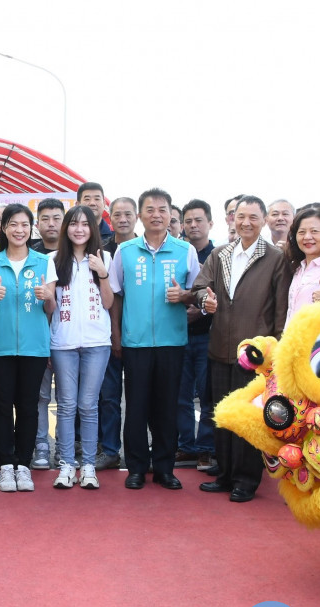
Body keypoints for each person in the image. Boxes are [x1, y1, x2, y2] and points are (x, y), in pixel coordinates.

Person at [194, 195, 289, 502]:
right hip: (220, 347)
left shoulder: (275, 259)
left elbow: (280, 309)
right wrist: (203, 301)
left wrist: (275, 352)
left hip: (256, 355)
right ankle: (224, 473)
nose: (246, 222)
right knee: (224, 413)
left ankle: (246, 480)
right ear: (232, 219)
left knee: (249, 419)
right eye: (240, 217)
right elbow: (199, 287)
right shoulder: (220, 254)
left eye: (253, 217)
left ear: (263, 221)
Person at [109, 188, 199, 492]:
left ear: (170, 213)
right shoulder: (125, 251)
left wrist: (185, 297)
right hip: (135, 343)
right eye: (150, 209)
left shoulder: (185, 251)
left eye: (162, 209)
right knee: (135, 407)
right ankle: (135, 467)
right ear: (140, 215)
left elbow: (198, 295)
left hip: (172, 343)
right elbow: (116, 297)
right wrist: (117, 337)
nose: (156, 215)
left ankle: (164, 468)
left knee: (167, 408)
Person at [0, 204, 54, 492]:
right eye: (13, 224)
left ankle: (23, 464)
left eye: (24, 224)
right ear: (3, 228)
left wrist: (48, 295)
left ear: (31, 228)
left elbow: (51, 307)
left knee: (28, 407)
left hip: (34, 346)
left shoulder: (43, 262)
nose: (19, 230)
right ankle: (5, 463)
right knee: (1, 407)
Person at [48, 206, 113, 489]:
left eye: (85, 224)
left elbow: (109, 302)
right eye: (73, 224)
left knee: (88, 405)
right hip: (62, 343)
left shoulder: (105, 257)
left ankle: (88, 465)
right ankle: (65, 465)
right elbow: (49, 306)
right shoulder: (52, 259)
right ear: (66, 228)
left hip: (97, 342)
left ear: (93, 229)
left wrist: (103, 274)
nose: (79, 229)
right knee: (65, 406)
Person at [98, 197, 140, 471]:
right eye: (117, 214)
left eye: (128, 214)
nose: (122, 219)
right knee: (109, 397)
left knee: (139, 398)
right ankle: (110, 450)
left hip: (142, 337)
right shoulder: (101, 251)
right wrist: (115, 334)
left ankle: (139, 453)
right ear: (109, 218)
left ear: (136, 216)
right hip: (111, 335)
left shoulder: (143, 249)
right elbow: (112, 298)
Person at [175, 199, 217, 473]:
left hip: (208, 337)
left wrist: (201, 312)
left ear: (210, 224)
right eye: (188, 221)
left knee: (207, 394)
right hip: (178, 335)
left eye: (198, 220)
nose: (193, 225)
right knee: (180, 395)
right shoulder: (177, 252)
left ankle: (206, 449)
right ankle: (185, 445)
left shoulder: (219, 255)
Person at [27, 198, 64, 470]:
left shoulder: (76, 253)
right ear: (37, 224)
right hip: (37, 339)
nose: (51, 223)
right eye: (45, 218)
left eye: (57, 218)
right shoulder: (30, 255)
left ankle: (65, 447)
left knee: (66, 398)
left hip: (68, 340)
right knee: (39, 397)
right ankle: (40, 446)